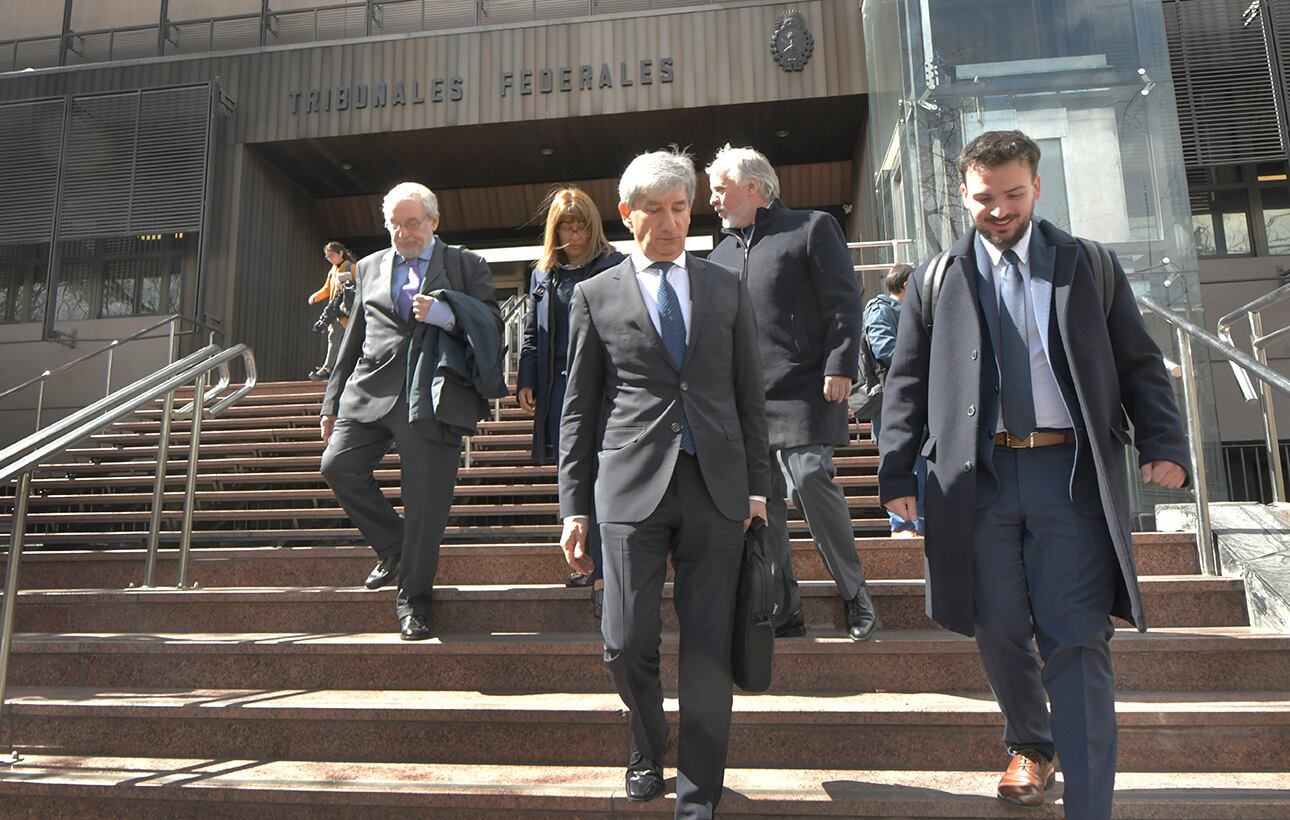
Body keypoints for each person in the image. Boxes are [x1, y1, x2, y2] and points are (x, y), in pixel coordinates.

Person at [878, 130, 1189, 818]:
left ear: (1037, 186)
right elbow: (906, 383)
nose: (999, 209)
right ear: (964, 193)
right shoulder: (937, 278)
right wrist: (896, 469)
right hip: (976, 482)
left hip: (1068, 475)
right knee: (994, 625)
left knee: (1076, 637)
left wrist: (1162, 441)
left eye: (1013, 194)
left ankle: (1089, 804)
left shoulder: (1088, 265)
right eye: (985, 197)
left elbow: (1139, 364)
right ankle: (1031, 741)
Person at [557, 148, 770, 819]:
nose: (671, 223)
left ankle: (698, 794)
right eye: (655, 210)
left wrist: (759, 491)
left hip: (717, 487)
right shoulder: (594, 294)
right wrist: (573, 506)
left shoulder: (725, 287)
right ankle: (648, 744)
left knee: (707, 646)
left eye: (681, 208)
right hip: (626, 492)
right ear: (627, 214)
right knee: (624, 643)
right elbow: (577, 410)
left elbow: (749, 398)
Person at [706, 144, 878, 642]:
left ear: (753, 187)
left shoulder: (811, 227)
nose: (713, 201)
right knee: (766, 505)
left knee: (807, 478)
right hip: (746, 402)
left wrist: (841, 363)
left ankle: (855, 595)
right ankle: (785, 608)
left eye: (720, 189)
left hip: (807, 388)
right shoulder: (717, 255)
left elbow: (845, 302)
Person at [320, 182, 501, 641]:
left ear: (434, 222)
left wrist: (446, 315)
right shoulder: (370, 267)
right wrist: (332, 400)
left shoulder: (466, 265)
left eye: (413, 223)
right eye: (395, 224)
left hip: (433, 395)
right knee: (337, 465)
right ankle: (398, 548)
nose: (403, 233)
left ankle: (415, 602)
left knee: (425, 506)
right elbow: (353, 336)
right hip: (369, 390)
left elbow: (492, 326)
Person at [516, 187, 625, 612]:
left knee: (604, 476)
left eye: (581, 227)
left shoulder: (614, 265)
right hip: (559, 388)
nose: (575, 236)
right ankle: (586, 559)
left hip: (605, 388)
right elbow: (531, 334)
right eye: (566, 227)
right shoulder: (542, 275)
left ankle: (601, 574)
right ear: (554, 229)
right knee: (575, 476)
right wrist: (528, 377)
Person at [863, 263, 923, 537]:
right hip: (893, 399)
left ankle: (916, 521)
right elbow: (883, 347)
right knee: (897, 456)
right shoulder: (880, 309)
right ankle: (902, 524)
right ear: (908, 285)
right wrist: (920, 359)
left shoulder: (912, 311)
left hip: (913, 397)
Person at [307, 241, 357, 381]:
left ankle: (328, 369)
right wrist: (315, 296)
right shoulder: (333, 270)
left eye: (332, 255)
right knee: (336, 339)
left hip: (347, 311)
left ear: (341, 253)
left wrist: (347, 285)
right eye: (327, 257)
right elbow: (327, 289)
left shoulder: (351, 267)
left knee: (337, 339)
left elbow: (361, 285)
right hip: (336, 310)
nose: (330, 259)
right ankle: (331, 369)